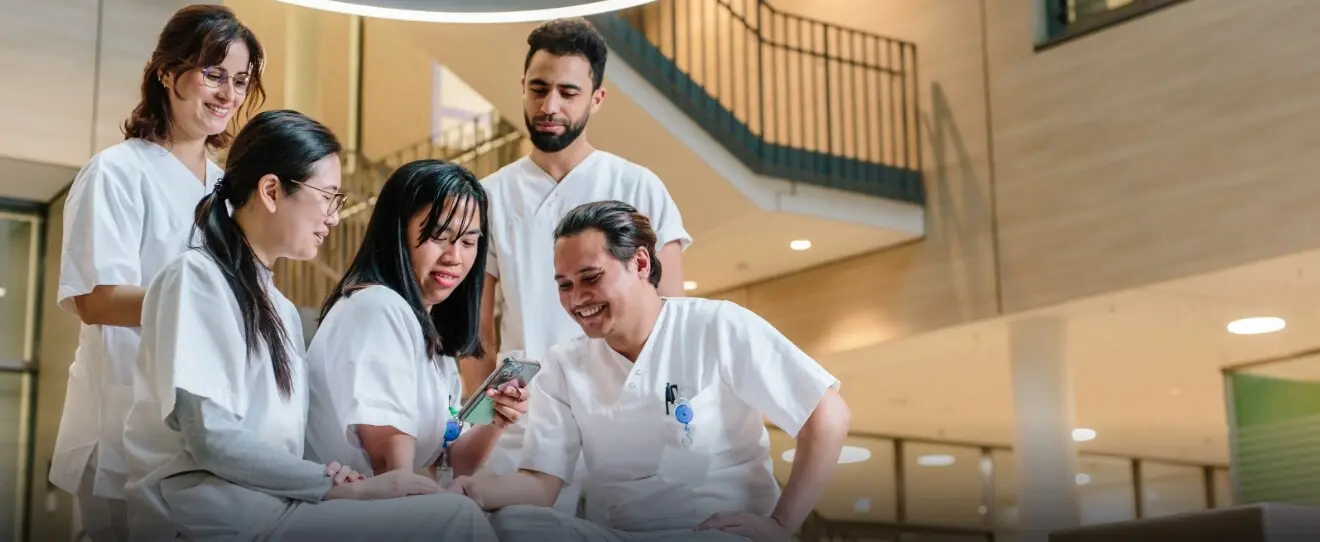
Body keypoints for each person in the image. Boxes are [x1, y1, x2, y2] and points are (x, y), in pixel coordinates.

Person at [119, 109, 498, 541]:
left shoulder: (279, 308)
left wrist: (327, 478)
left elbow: (279, 443)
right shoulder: (195, 278)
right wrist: (329, 484)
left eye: (470, 242)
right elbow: (209, 436)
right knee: (455, 519)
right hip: (209, 519)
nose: (334, 218)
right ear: (271, 190)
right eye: (328, 197)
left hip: (271, 512)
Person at [447, 201, 852, 542]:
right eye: (564, 285)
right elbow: (541, 484)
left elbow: (827, 414)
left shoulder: (718, 325)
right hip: (616, 533)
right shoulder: (564, 364)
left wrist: (781, 525)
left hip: (714, 530)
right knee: (513, 524)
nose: (576, 299)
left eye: (590, 278)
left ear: (640, 262)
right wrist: (475, 491)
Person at [49, 6, 265, 540]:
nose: (228, 94)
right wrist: (200, 306)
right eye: (213, 74)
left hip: (201, 430)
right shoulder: (118, 172)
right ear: (168, 72)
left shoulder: (230, 192)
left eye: (241, 81)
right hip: (120, 420)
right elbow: (94, 300)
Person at [471, 16, 693, 515]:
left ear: (596, 99)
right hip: (523, 423)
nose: (550, 106)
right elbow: (477, 336)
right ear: (522, 89)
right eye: (539, 88)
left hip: (625, 421)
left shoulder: (639, 187)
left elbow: (673, 320)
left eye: (568, 92)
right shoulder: (490, 196)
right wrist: (486, 419)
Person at [304, 159, 529, 484]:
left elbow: (451, 464)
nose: (454, 257)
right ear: (397, 232)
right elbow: (392, 473)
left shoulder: (431, 334)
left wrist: (494, 420)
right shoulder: (377, 307)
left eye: (468, 242)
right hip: (342, 511)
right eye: (440, 236)